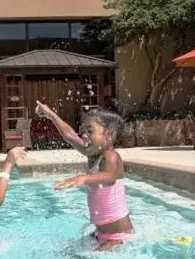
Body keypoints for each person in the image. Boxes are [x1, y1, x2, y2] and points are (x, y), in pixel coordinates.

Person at [35, 100, 135, 251]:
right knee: (69, 255)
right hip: (99, 233)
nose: (84, 135)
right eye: (83, 131)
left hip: (118, 235)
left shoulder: (111, 156)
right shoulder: (92, 153)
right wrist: (51, 115)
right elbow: (69, 135)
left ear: (109, 134)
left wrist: (82, 178)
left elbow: (109, 178)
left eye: (90, 131)